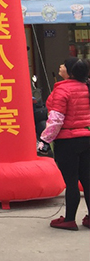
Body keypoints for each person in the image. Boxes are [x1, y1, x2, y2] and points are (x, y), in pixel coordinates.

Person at [40, 57, 90, 231]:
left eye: (64, 65)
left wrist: (45, 140)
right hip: (86, 138)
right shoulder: (86, 86)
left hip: (68, 141)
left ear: (70, 72)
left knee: (71, 181)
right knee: (87, 179)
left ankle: (69, 220)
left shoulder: (63, 90)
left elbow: (56, 119)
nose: (60, 66)